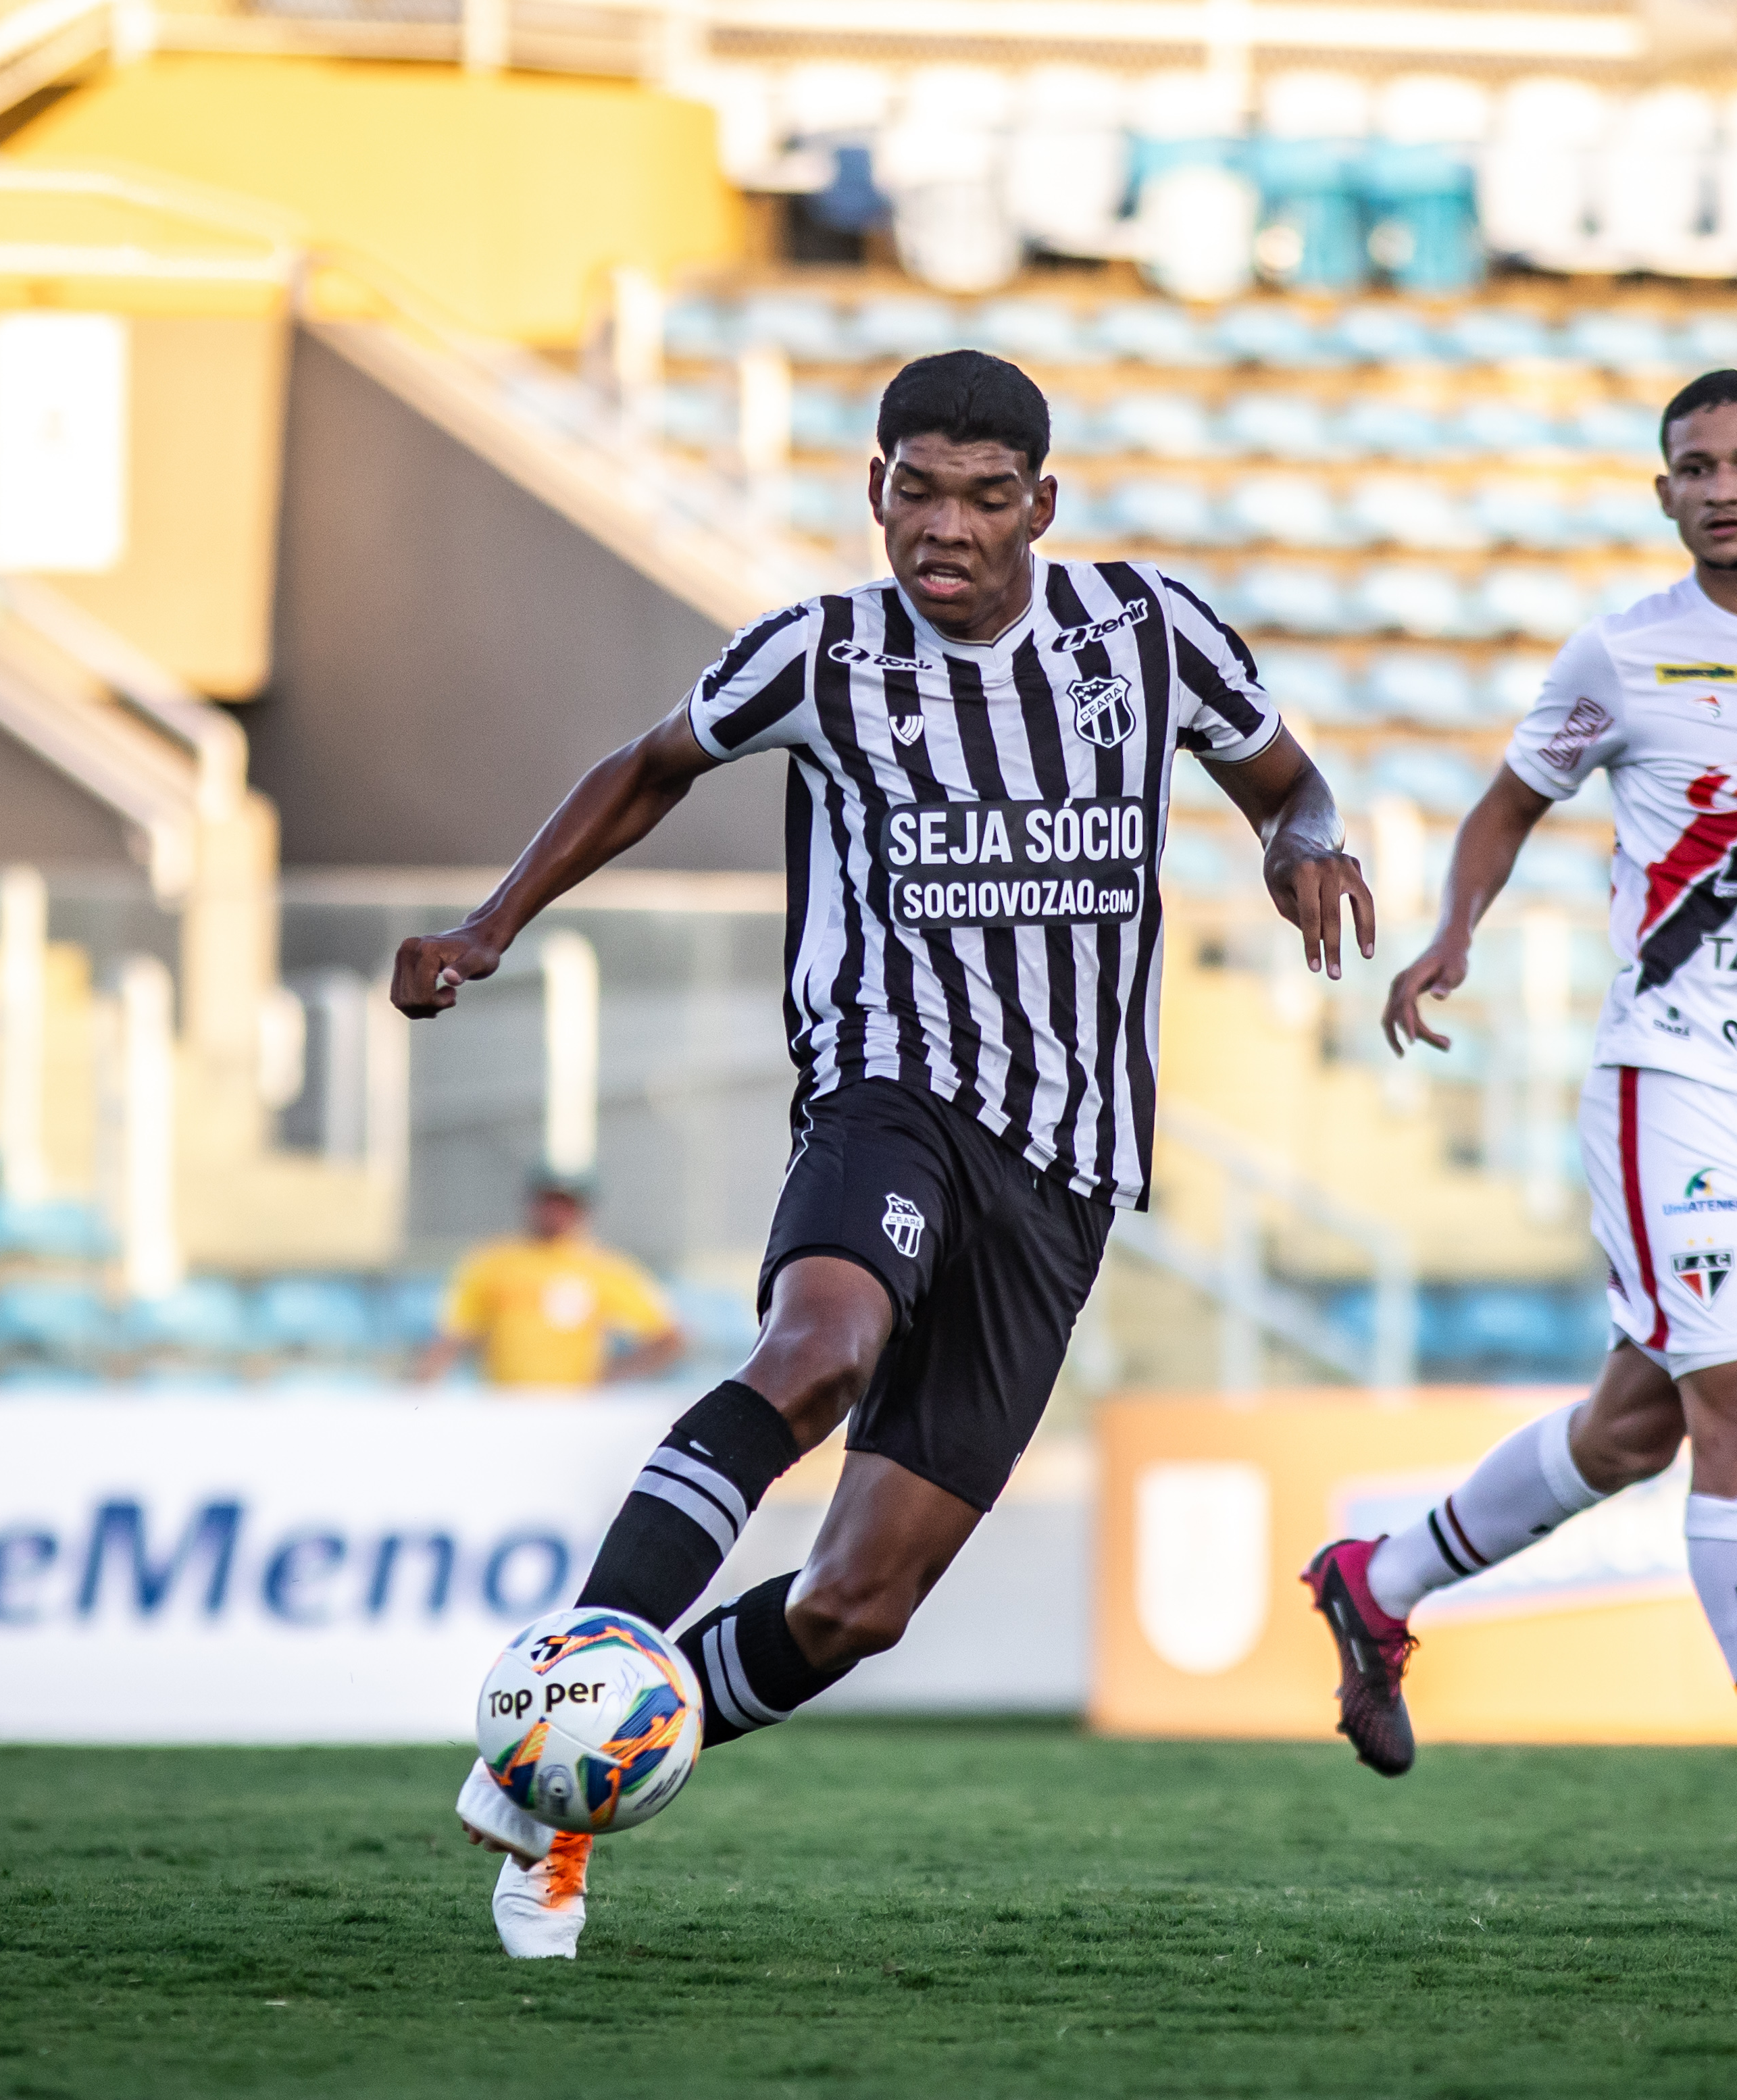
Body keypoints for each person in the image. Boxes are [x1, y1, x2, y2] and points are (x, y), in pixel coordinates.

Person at [391, 349, 1375, 1957]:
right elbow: (649, 767)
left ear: (1040, 505)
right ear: (874, 490)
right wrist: (493, 924)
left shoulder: (1150, 635)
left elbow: (1288, 783)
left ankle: (560, 1788)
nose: (946, 528)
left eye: (984, 499)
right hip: (887, 1093)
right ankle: (572, 1690)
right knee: (818, 1349)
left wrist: (1306, 844)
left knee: (858, 1603)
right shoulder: (819, 653)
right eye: (916, 492)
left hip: (1066, 1166)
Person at [1301, 369, 1737, 1883]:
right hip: (1672, 1077)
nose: (1721, 487)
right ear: (1662, 493)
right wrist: (1452, 933)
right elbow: (1505, 801)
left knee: (1634, 1426)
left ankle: (1377, 1579)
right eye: (1693, 467)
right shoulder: (1624, 652)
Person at [413, 1167, 686, 1389]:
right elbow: (453, 1334)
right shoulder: (492, 1262)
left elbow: (669, 1339)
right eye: (548, 1201)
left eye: (566, 1204)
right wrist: (419, 1390)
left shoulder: (605, 1268)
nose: (556, 1212)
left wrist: (610, 1377)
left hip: (572, 1408)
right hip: (503, 1404)